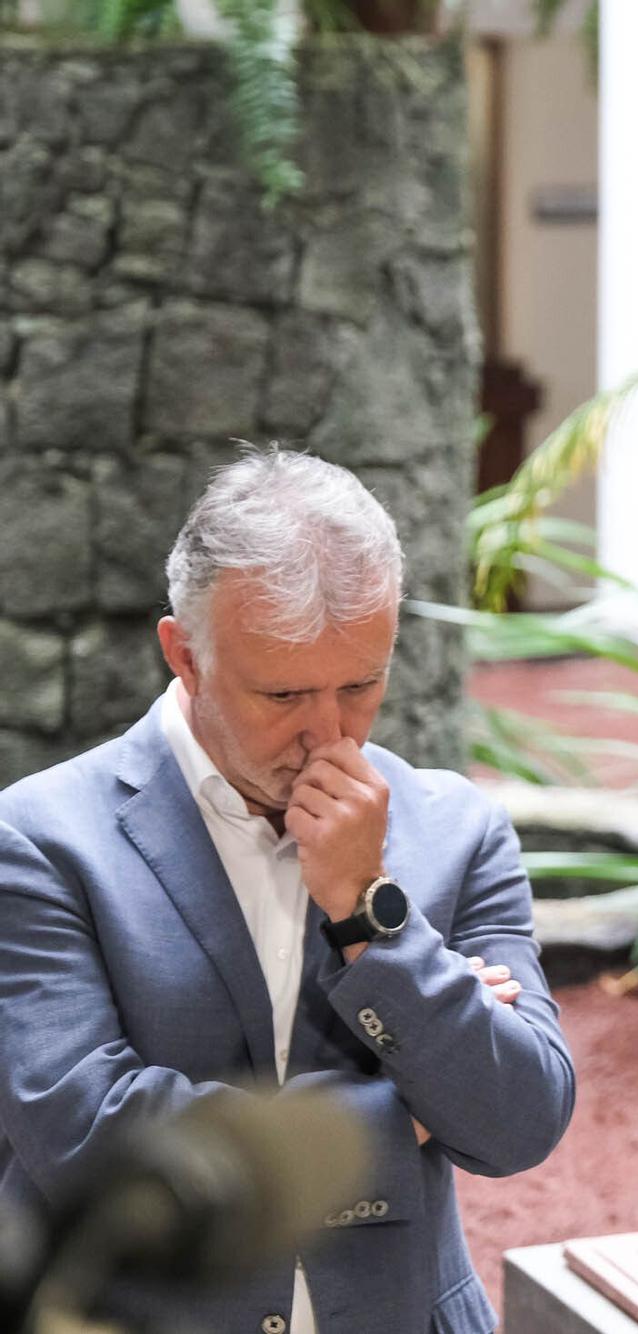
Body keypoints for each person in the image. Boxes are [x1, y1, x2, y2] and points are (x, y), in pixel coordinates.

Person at [0, 449, 576, 1333]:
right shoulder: (38, 841)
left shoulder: (457, 830)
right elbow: (87, 1141)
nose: (328, 734)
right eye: (283, 693)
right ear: (184, 655)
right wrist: (406, 1117)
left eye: (361, 684)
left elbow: (517, 1120)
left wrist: (368, 909)